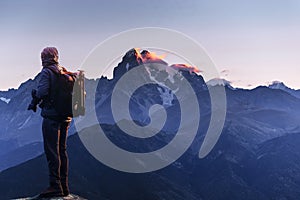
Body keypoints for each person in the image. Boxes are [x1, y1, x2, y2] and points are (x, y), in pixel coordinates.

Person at [28, 47, 72, 198]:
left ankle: (55, 186)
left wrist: (35, 98)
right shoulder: (63, 70)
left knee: (52, 151)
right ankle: (64, 187)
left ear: (44, 58)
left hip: (52, 117)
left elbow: (42, 92)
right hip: (65, 117)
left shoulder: (47, 72)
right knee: (62, 151)